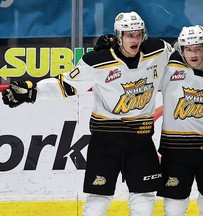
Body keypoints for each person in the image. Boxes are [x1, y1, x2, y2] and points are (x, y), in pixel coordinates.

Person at [2, 11, 174, 216]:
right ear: (119, 37)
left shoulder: (159, 51)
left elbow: (186, 55)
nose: (135, 39)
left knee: (144, 196)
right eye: (129, 35)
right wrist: (31, 92)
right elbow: (65, 85)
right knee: (99, 198)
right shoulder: (97, 62)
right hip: (105, 142)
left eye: (138, 34)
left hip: (141, 141)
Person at [156, 25, 203, 216]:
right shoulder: (169, 69)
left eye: (198, 49)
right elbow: (145, 52)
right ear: (181, 50)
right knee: (174, 209)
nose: (193, 54)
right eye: (188, 49)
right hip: (175, 153)